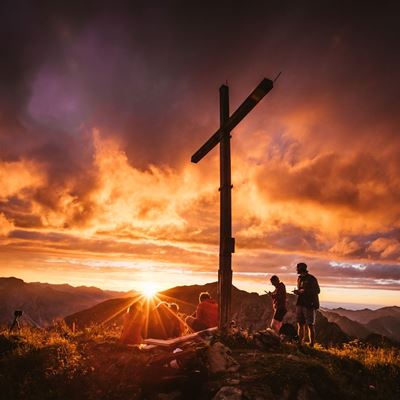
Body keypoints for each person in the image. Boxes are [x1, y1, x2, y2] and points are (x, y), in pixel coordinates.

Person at [293, 262, 320, 347]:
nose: (296, 269)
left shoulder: (312, 278)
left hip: (309, 304)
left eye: (297, 268)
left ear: (301, 268)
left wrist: (305, 291)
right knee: (300, 324)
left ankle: (311, 344)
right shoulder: (299, 278)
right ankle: (300, 342)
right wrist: (298, 292)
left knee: (310, 325)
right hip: (300, 303)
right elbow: (301, 290)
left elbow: (317, 291)